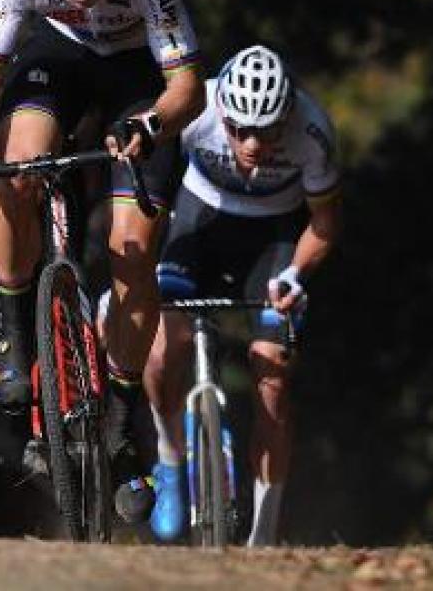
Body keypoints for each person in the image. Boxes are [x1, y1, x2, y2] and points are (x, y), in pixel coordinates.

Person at [0, 0, 203, 525]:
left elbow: (187, 90)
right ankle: (11, 324)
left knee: (132, 248)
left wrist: (149, 128)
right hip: (58, 56)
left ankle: (118, 414)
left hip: (141, 73)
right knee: (18, 165)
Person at [144, 45, 342, 545]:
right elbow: (147, 186)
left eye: (268, 130)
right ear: (222, 114)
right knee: (165, 347)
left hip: (272, 240)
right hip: (199, 222)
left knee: (273, 380)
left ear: (288, 115)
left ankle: (263, 535)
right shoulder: (196, 108)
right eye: (239, 130)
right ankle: (170, 461)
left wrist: (296, 274)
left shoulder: (313, 130)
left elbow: (324, 223)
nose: (252, 144)